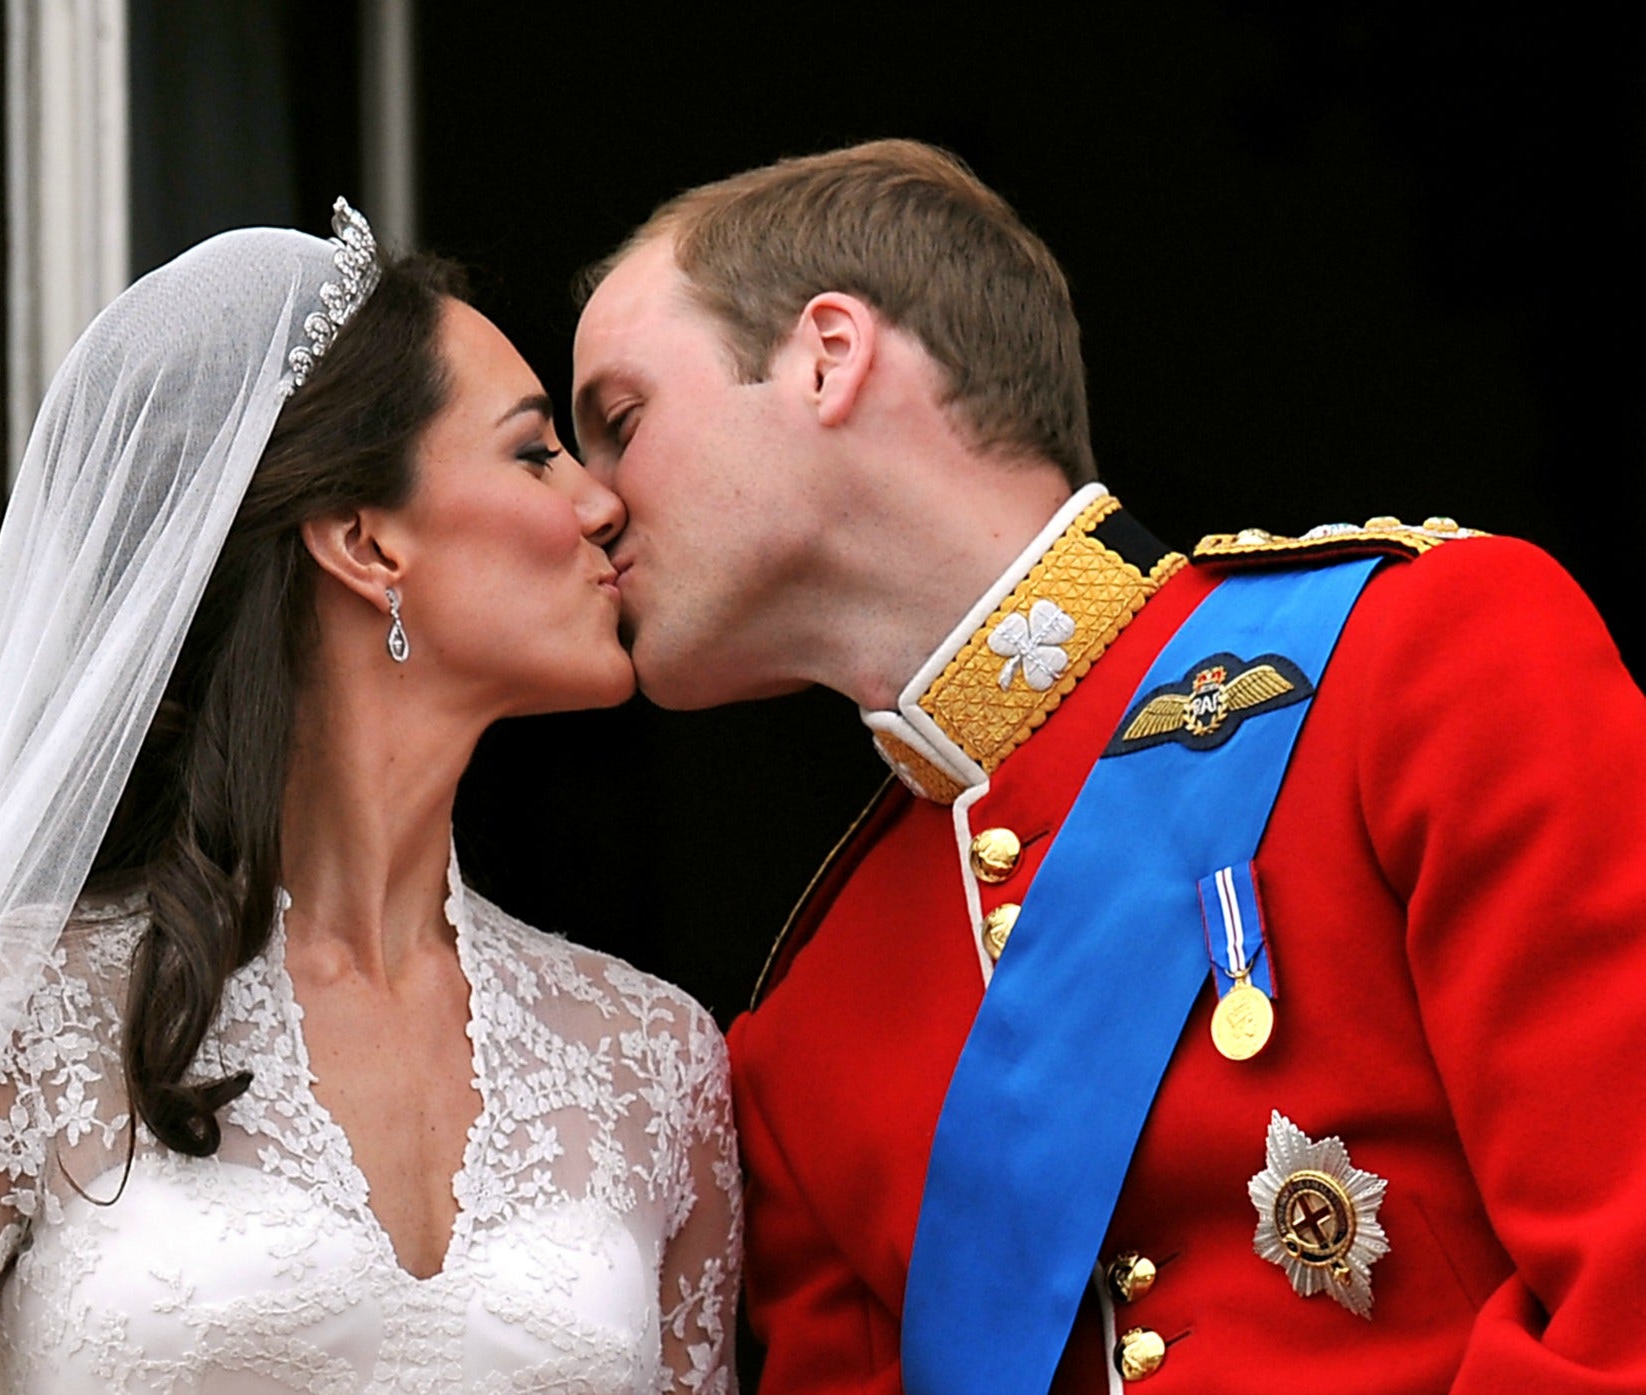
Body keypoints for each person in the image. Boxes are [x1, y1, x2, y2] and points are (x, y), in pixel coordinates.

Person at [570, 139, 1646, 1394]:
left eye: (620, 422)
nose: (586, 507)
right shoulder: (799, 1034)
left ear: (827, 354)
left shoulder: (1422, 656)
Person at [0, 205, 739, 1395]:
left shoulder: (658, 1063)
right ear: (363, 540)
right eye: (533, 450)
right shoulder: (12, 1021)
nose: (599, 503)